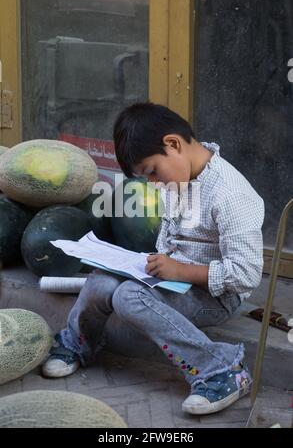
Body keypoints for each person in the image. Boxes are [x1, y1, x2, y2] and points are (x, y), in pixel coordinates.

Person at [42, 102, 265, 415]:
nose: (154, 183)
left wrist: (180, 270)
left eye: (152, 172)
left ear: (173, 144)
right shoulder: (177, 177)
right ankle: (78, 342)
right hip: (173, 279)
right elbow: (170, 238)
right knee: (101, 280)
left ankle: (222, 369)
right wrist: (156, 264)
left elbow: (245, 275)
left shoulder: (231, 195)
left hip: (215, 296)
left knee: (128, 296)